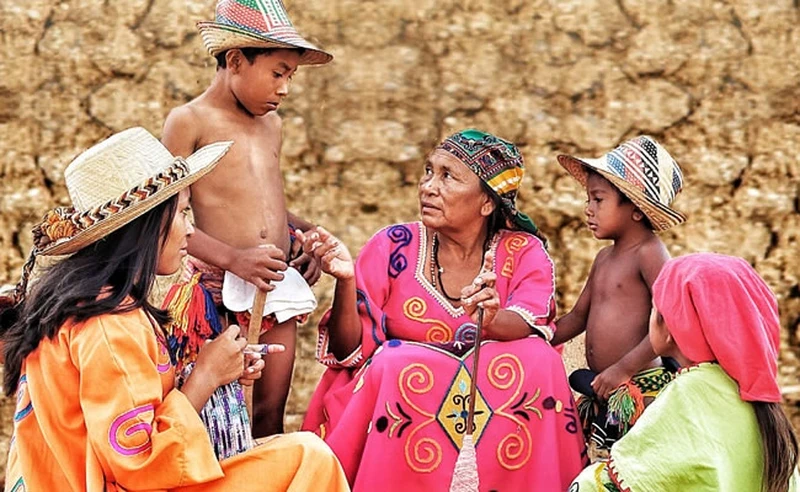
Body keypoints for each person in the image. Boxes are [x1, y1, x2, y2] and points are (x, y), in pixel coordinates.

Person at [0, 128, 349, 491]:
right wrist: (206, 377)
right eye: (183, 213)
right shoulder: (109, 325)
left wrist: (216, 372)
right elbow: (140, 462)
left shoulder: (82, 306)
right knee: (308, 458)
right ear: (147, 228)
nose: (190, 231)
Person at [299, 129, 587, 491]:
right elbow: (348, 352)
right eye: (428, 171)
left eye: (448, 176)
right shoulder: (392, 246)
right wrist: (345, 281)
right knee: (392, 361)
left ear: (486, 203)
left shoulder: (523, 252)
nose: (428, 187)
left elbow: (533, 325)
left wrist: (492, 318)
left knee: (538, 357)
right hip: (397, 420)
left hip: (497, 427)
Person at [161, 0, 333, 437]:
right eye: (278, 73)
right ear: (236, 61)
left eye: (290, 77)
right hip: (212, 290)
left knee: (269, 412)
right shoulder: (190, 121)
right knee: (217, 413)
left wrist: (305, 235)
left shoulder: (272, 124)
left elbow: (263, 200)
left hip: (271, 282)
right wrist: (234, 259)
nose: (285, 89)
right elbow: (166, 218)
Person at [570, 253, 799, 492]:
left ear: (670, 327)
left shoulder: (689, 394)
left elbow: (629, 480)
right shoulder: (756, 396)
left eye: (654, 309)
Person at [550, 136, 686, 450]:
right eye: (588, 199)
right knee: (602, 462)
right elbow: (578, 317)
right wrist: (538, 337)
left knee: (635, 461)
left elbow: (670, 321)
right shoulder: (604, 258)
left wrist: (624, 369)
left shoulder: (649, 253)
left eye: (598, 200)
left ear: (636, 209)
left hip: (637, 387)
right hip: (602, 385)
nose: (588, 209)